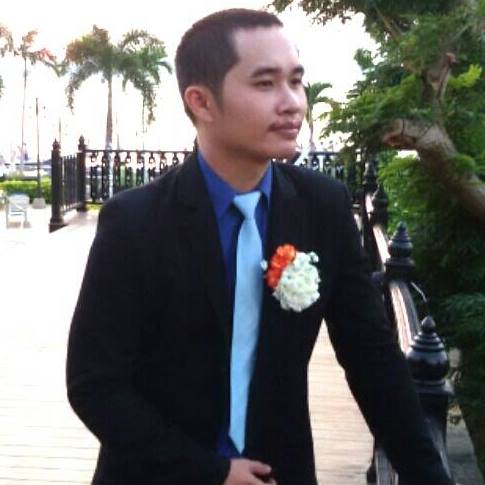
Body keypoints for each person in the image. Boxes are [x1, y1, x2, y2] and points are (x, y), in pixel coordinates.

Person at [66, 8, 455, 485]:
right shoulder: (135, 222)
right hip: (157, 472)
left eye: (296, 81)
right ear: (201, 102)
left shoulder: (322, 206)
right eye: (265, 84)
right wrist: (210, 472)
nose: (292, 102)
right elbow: (94, 384)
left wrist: (429, 475)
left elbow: (372, 358)